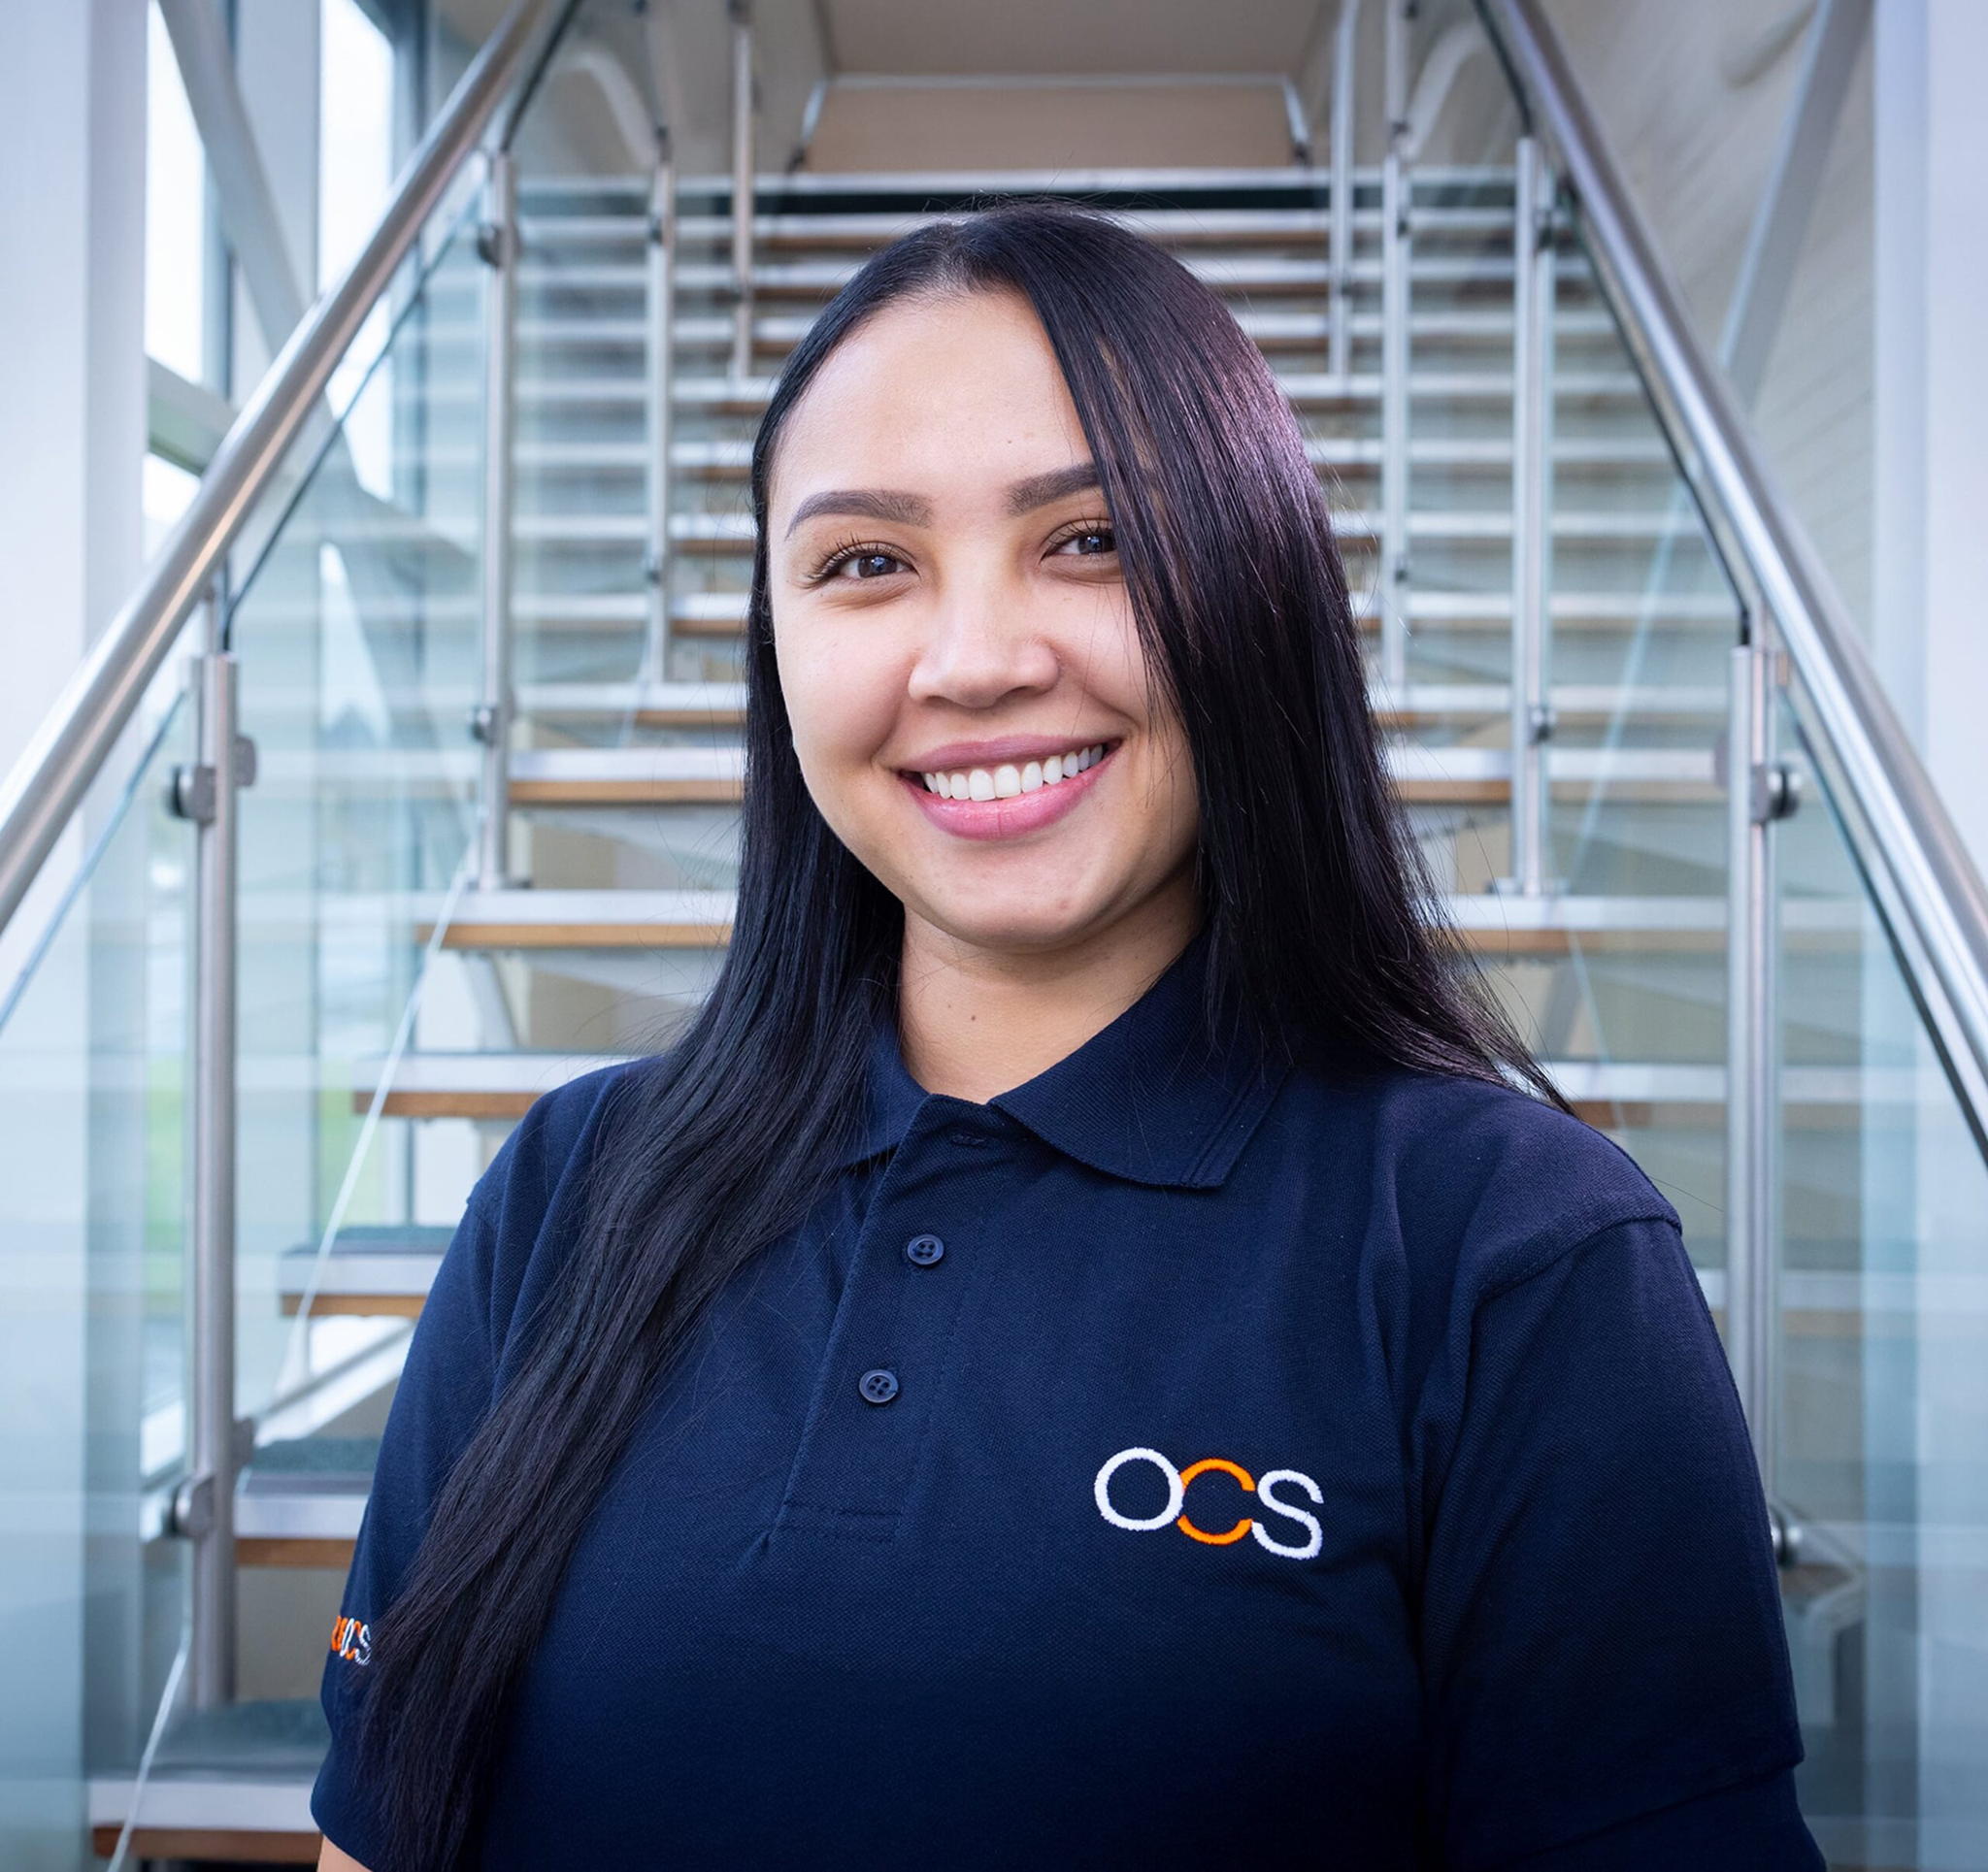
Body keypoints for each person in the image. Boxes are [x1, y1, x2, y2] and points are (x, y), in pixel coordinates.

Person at [313, 200, 1822, 1870]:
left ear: (1254, 584)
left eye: (1090, 539)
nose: (974, 661)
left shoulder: (1519, 1259)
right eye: (866, 563)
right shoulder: (566, 1193)